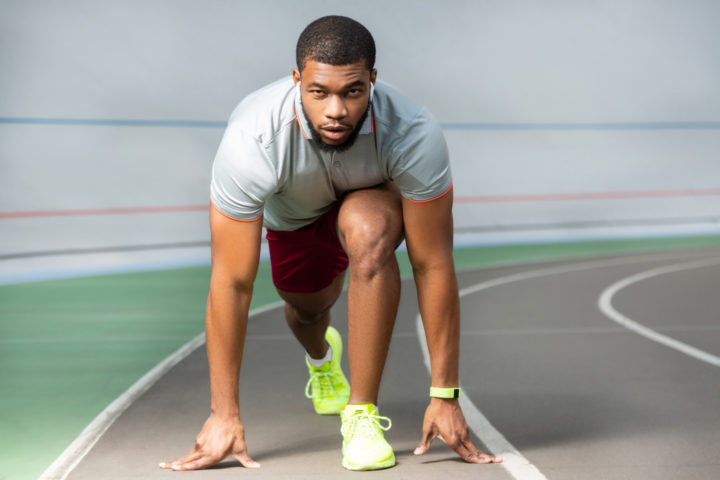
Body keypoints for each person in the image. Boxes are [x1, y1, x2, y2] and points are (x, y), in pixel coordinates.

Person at [160, 15, 502, 471]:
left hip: (369, 204)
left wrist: (445, 395)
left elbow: (432, 263)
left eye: (352, 92)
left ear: (372, 81)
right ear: (297, 79)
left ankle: (360, 415)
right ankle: (323, 358)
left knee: (370, 232)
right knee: (306, 311)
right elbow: (232, 282)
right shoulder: (252, 139)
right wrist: (224, 414)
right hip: (296, 222)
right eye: (319, 92)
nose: (335, 110)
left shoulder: (413, 132)